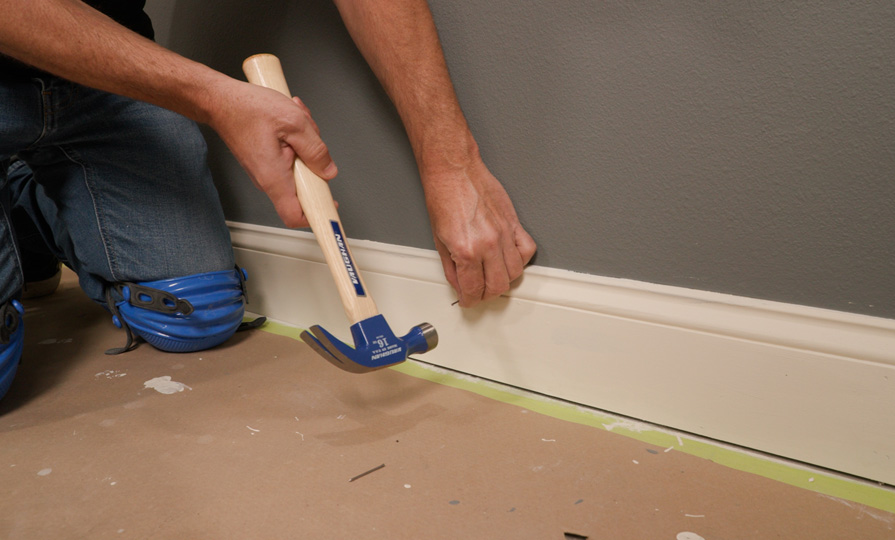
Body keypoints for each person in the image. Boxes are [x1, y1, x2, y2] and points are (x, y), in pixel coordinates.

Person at [0, 0, 536, 401]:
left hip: (104, 80)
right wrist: (215, 97)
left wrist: (451, 165)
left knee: (195, 317)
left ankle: (22, 200)